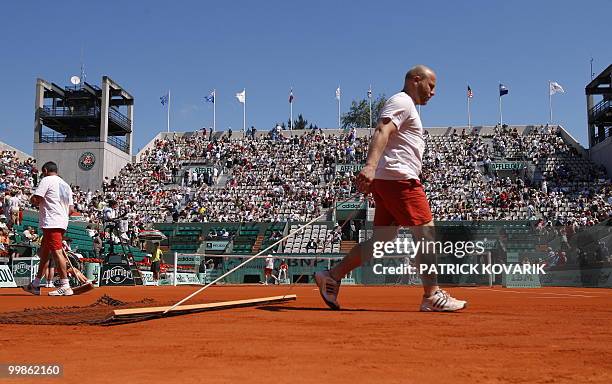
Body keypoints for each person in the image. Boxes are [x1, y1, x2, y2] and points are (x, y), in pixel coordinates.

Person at [314, 65, 467, 312]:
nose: (434, 92)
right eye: (431, 85)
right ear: (416, 80)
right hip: (399, 179)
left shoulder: (406, 106)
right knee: (425, 233)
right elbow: (382, 130)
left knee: (382, 239)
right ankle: (432, 295)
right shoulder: (402, 101)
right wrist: (370, 166)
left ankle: (332, 275)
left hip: (391, 179)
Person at [23, 161, 75, 296]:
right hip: (61, 221)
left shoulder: (47, 180)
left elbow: (37, 199)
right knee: (45, 253)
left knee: (57, 252)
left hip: (52, 221)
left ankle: (65, 285)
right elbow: (71, 209)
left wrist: (31, 198)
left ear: (45, 170)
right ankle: (35, 284)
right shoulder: (65, 185)